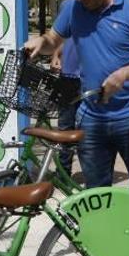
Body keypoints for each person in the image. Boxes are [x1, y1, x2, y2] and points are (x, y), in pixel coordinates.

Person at [24, 0, 129, 193]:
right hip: (91, 118)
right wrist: (40, 43)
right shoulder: (73, 8)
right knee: (96, 196)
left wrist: (123, 75)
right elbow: (53, 39)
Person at [51, 40, 80, 176]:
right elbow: (62, 38)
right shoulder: (68, 18)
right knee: (65, 129)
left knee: (89, 129)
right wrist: (56, 55)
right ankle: (63, 174)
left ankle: (94, 176)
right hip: (67, 78)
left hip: (89, 79)